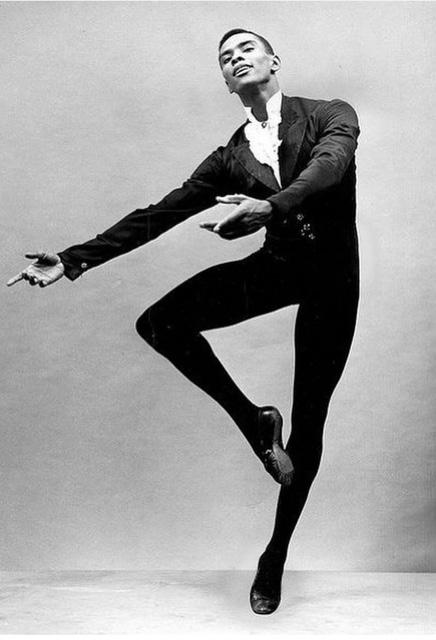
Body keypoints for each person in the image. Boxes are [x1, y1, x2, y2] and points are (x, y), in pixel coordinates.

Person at [7, 28, 360, 615]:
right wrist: (72, 259)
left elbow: (330, 165)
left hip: (333, 282)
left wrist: (269, 206)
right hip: (277, 269)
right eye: (225, 58)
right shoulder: (230, 158)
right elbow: (159, 214)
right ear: (225, 83)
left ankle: (274, 557)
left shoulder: (329, 114)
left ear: (274, 60)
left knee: (310, 427)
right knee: (160, 322)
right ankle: (254, 420)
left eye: (246, 49)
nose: (236, 58)